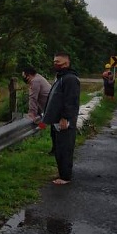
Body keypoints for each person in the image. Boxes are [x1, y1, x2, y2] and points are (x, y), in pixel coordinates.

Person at [41, 52, 80, 186]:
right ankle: (62, 173)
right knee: (59, 148)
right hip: (57, 121)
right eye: (54, 61)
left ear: (67, 63)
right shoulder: (61, 77)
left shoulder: (70, 79)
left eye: (58, 62)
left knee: (65, 149)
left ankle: (65, 177)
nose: (55, 64)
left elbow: (71, 101)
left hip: (64, 121)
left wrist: (65, 118)